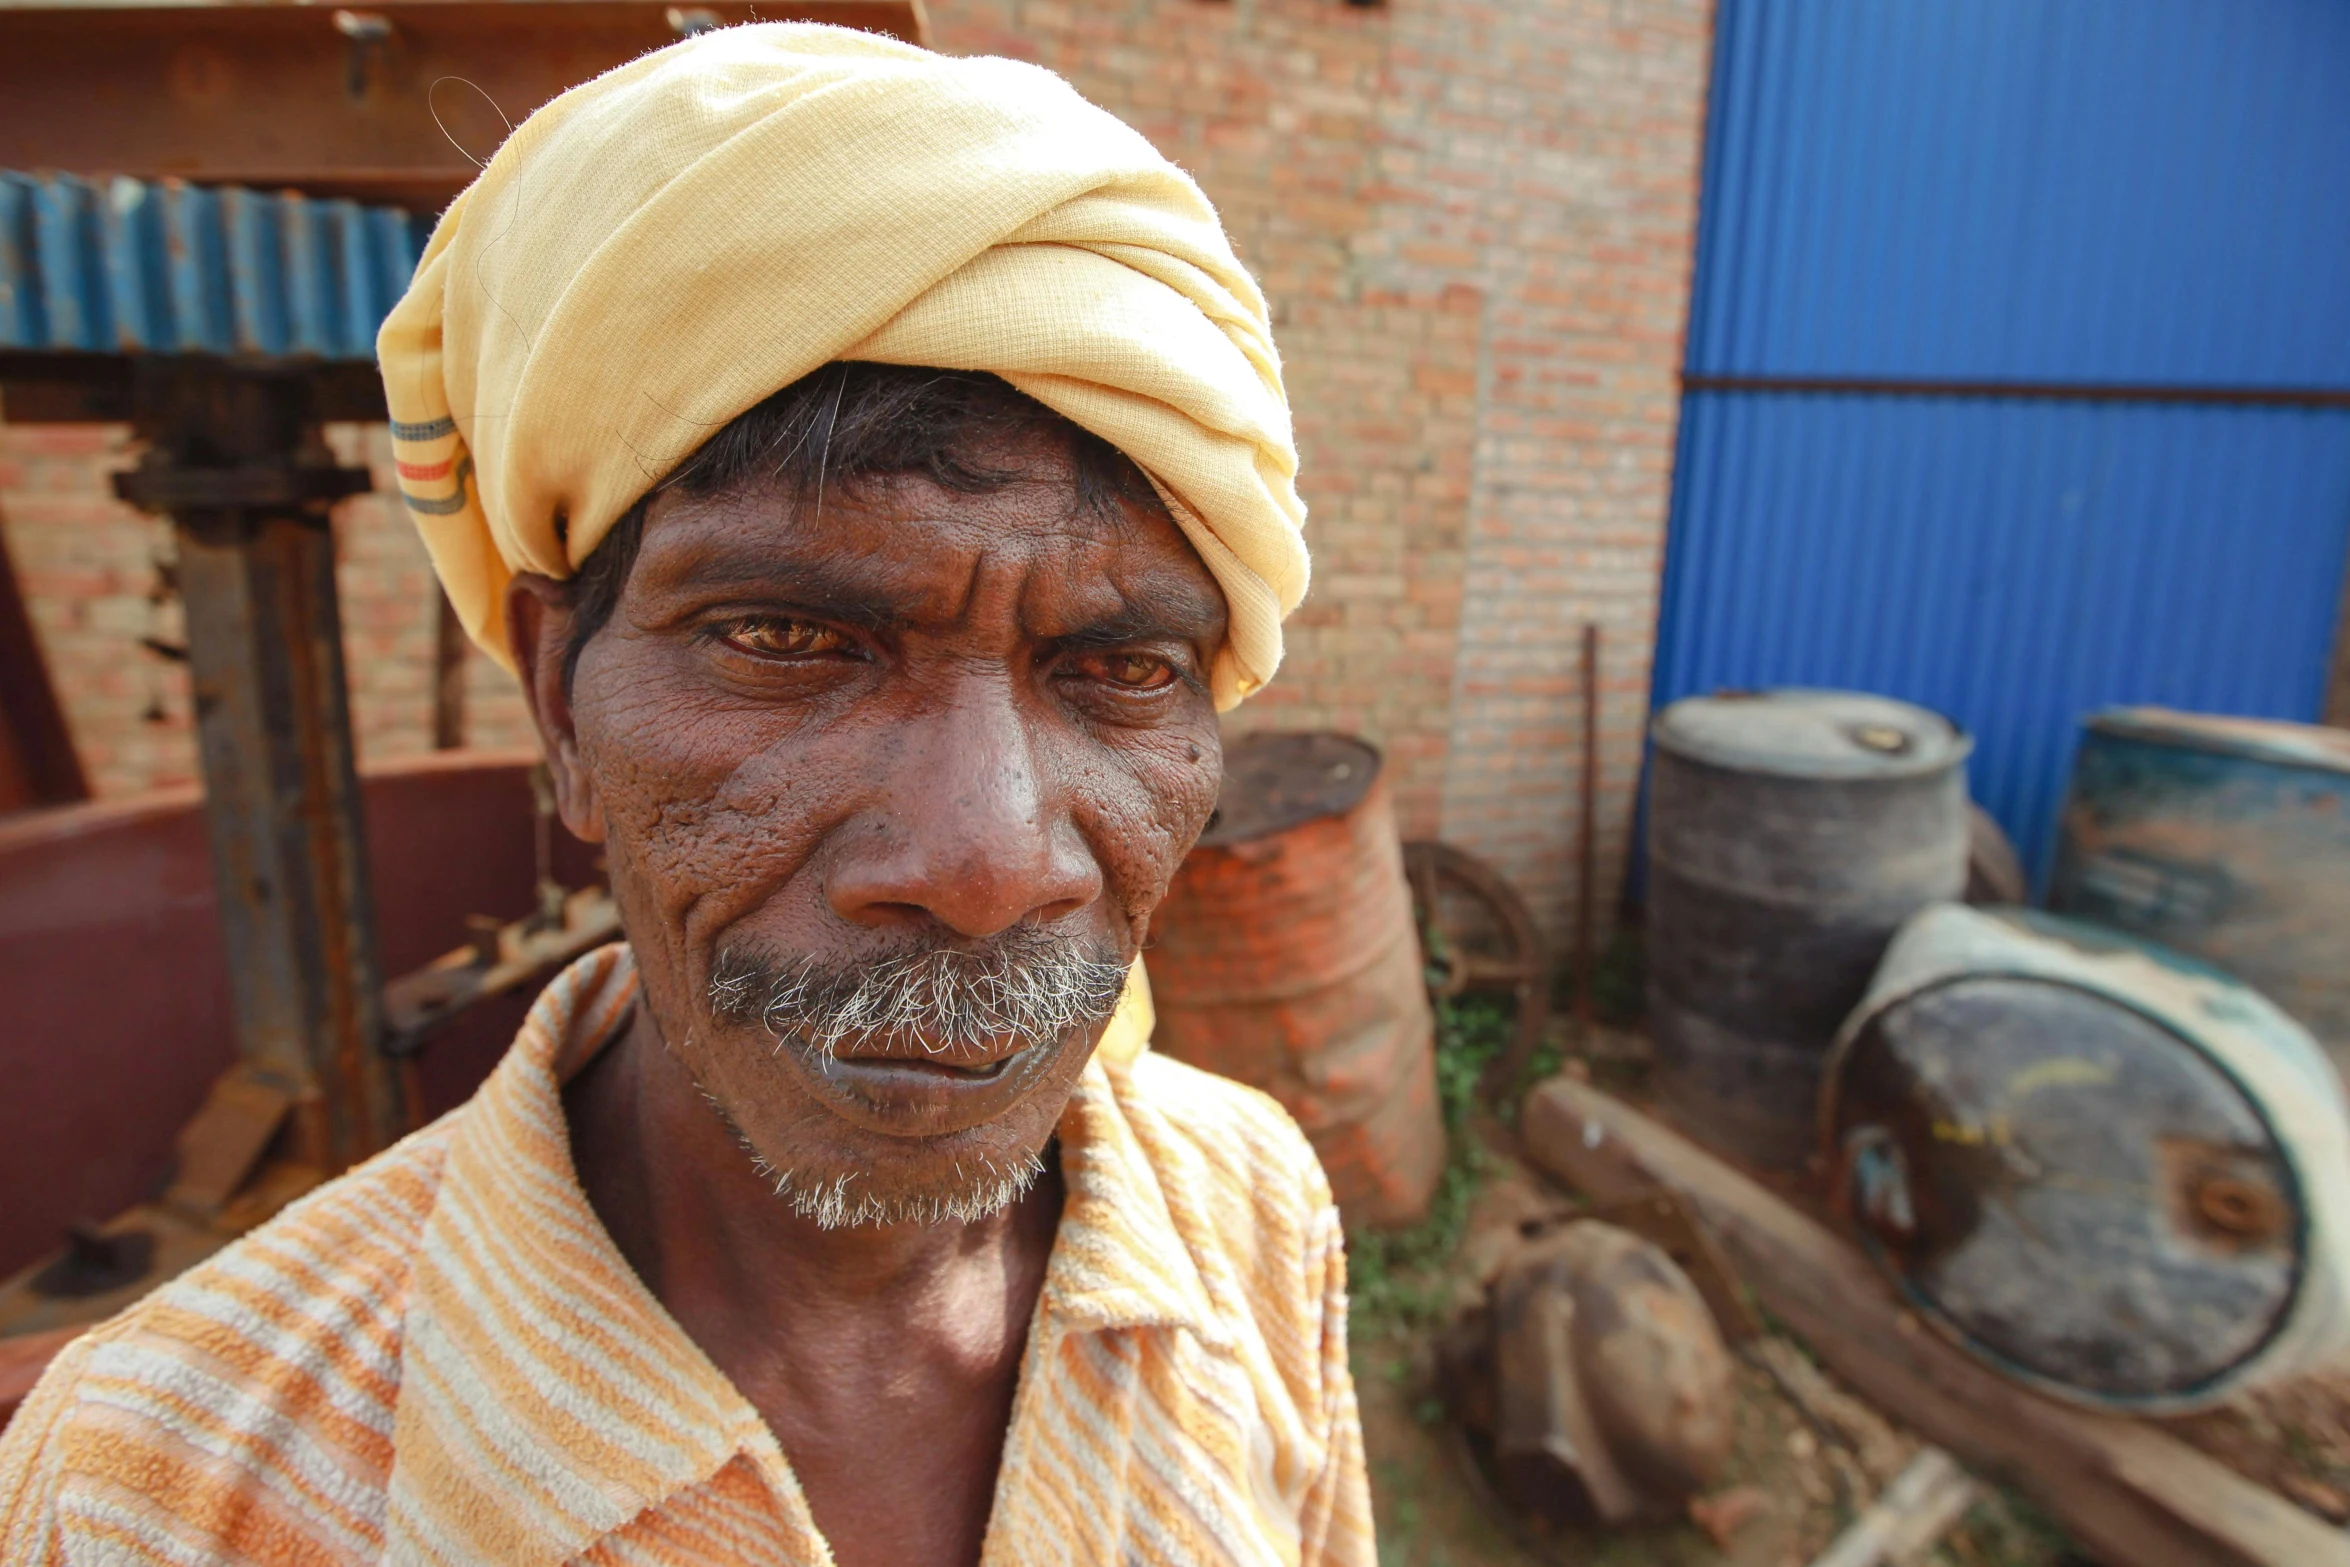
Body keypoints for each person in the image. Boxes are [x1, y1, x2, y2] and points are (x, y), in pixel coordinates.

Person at [0, 23, 1369, 1567]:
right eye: (787, 640)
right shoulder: (154, 1491)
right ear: (555, 701)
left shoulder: (1250, 1210)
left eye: (1121, 668)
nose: (987, 862)